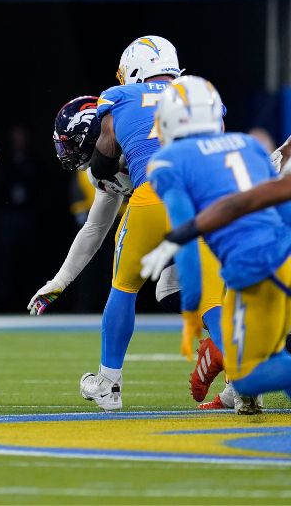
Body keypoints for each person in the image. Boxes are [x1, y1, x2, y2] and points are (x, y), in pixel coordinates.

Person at [80, 36, 225, 411]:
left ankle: (109, 383)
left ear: (136, 68)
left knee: (124, 287)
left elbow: (104, 160)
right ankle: (246, 376)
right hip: (204, 202)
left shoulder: (119, 95)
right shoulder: (203, 93)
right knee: (212, 299)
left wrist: (117, 171)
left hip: (152, 193)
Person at [141, 75, 291, 410]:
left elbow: (188, 241)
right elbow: (281, 208)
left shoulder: (169, 162)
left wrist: (193, 308)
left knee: (247, 377)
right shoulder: (248, 144)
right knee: (277, 352)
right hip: (284, 255)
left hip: (251, 268)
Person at [29, 95, 181, 318]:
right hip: (177, 221)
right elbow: (95, 227)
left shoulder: (136, 145)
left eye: (71, 142)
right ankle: (224, 338)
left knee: (130, 285)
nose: (66, 151)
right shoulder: (101, 173)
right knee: (170, 292)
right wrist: (59, 282)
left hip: (205, 208)